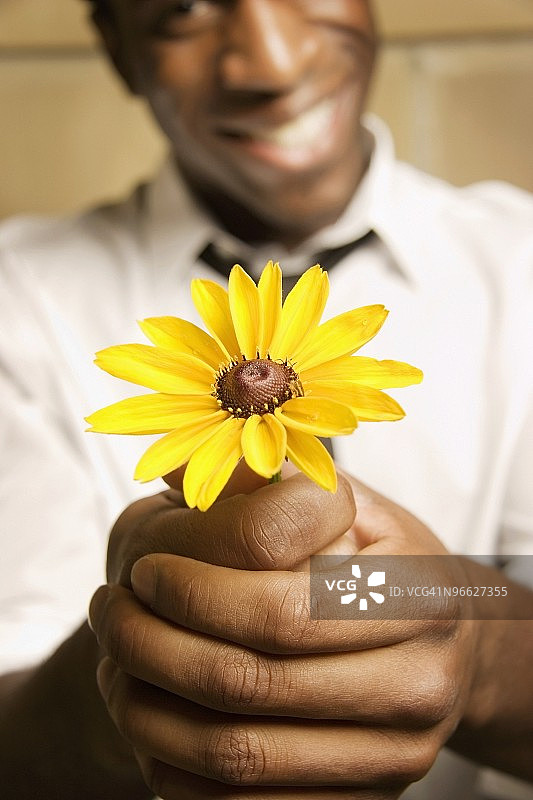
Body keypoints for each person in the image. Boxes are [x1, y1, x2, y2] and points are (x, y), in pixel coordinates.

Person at [1, 1, 532, 797]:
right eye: (182, 6)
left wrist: (463, 626)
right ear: (118, 48)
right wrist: (131, 656)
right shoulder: (18, 302)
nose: (274, 64)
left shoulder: (519, 263)